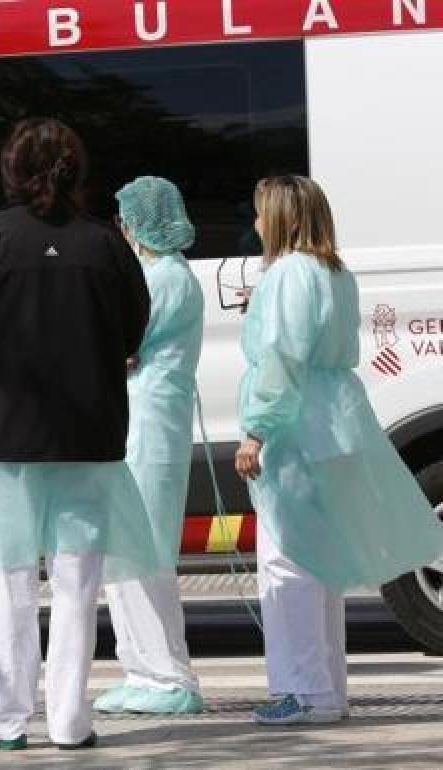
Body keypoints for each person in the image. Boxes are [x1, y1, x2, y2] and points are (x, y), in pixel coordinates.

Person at [0, 118, 163, 750]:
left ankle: (6, 720)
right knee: (78, 581)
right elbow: (135, 327)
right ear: (76, 171)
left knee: (7, 581)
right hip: (88, 436)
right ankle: (68, 720)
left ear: (10, 171)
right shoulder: (105, 246)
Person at [236, 175, 443, 724]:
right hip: (338, 421)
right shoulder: (335, 272)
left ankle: (304, 694)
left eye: (260, 213)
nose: (254, 223)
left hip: (296, 429)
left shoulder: (284, 274)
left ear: (280, 216)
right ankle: (326, 690)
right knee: (321, 561)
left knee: (288, 563)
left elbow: (281, 359)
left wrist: (257, 429)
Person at [94, 177, 205, 715]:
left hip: (148, 429)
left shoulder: (162, 279)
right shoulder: (165, 276)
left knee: (142, 554)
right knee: (130, 552)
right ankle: (145, 670)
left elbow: (119, 346)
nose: (122, 229)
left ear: (140, 224)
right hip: (147, 424)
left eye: (126, 219)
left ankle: (166, 677)